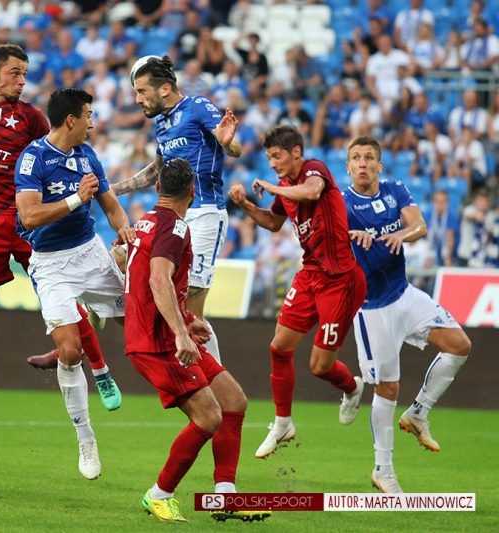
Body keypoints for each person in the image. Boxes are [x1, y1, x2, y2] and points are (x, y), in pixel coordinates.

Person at [0, 13, 121, 424]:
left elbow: (59, 148)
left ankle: (101, 371)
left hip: (25, 220)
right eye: (15, 73)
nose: (21, 81)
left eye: (25, 74)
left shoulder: (31, 118)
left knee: (65, 290)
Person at [126, 158, 270, 524]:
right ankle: (158, 495)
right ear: (192, 192)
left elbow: (148, 283)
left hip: (163, 333)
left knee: (234, 401)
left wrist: (188, 320)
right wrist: (180, 333)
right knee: (208, 416)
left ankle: (225, 496)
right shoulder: (174, 229)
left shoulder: (147, 220)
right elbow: (158, 280)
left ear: (157, 188)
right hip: (158, 343)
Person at [228, 125, 367, 459]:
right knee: (279, 346)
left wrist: (271, 186)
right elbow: (273, 222)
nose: (272, 164)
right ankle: (283, 422)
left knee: (320, 366)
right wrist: (245, 203)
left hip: (341, 280)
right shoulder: (288, 188)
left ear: (296, 153)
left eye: (276, 156)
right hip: (310, 275)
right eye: (269, 158)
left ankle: (352, 387)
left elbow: (312, 193)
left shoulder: (314, 170)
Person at [14, 89, 133, 479]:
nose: (92, 123)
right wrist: (75, 200)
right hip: (51, 265)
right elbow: (29, 217)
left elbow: (111, 206)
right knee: (69, 351)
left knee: (135, 324)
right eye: (88, 116)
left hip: (90, 254)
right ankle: (86, 439)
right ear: (71, 120)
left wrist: (124, 229)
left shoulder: (87, 156)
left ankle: (99, 312)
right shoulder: (33, 158)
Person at [344, 137, 471, 493]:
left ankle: (418, 412)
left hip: (405, 293)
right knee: (388, 388)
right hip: (372, 309)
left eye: (369, 157)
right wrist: (349, 237)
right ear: (348, 167)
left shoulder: (394, 189)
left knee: (460, 345)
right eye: (356, 158)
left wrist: (401, 234)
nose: (363, 163)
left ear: (380, 165)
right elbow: (327, 246)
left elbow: (420, 225)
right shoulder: (341, 204)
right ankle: (382, 470)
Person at [111, 55, 241, 367]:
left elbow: (230, 145)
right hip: (174, 217)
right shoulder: (161, 123)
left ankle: (213, 378)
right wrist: (113, 189)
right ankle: (107, 306)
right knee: (122, 258)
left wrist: (228, 143)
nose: (137, 99)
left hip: (205, 213)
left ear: (165, 89)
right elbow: (156, 171)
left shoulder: (197, 106)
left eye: (142, 91)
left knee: (192, 306)